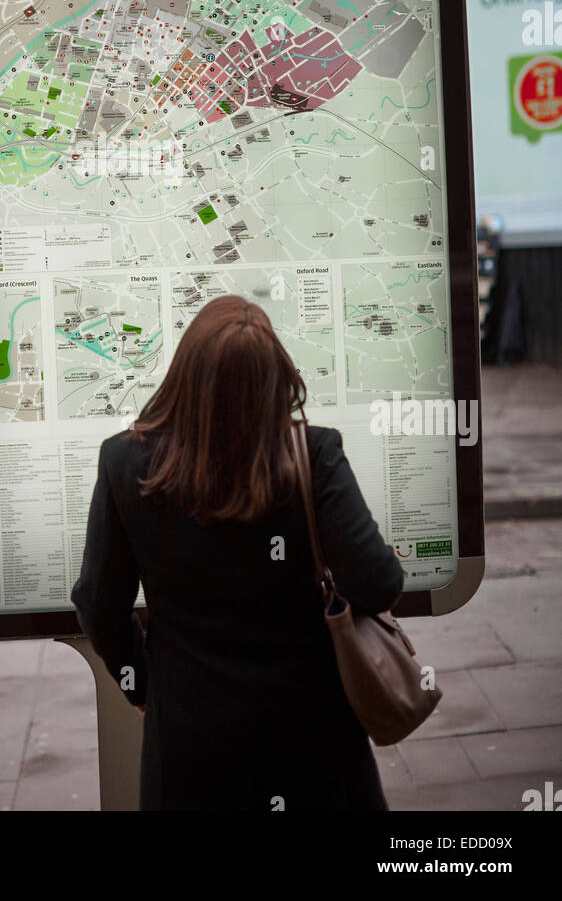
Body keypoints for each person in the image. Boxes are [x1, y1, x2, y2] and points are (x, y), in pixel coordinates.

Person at [71, 293, 404, 812]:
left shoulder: (125, 461)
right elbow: (379, 582)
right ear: (275, 377)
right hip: (311, 735)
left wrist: (143, 684)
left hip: (189, 742)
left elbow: (98, 603)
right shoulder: (312, 455)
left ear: (185, 371)